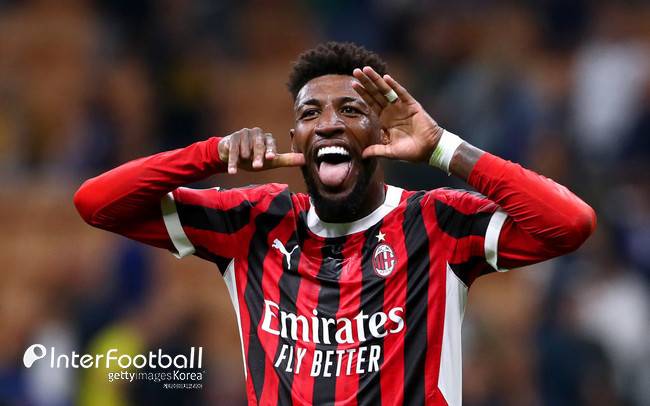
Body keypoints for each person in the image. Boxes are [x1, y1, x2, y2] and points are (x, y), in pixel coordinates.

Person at [74, 42, 596, 406]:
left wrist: (443, 147)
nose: (327, 124)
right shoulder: (255, 222)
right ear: (295, 141)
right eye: (309, 114)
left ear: (383, 134)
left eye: (350, 109)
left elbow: (569, 223)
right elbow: (97, 203)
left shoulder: (437, 222)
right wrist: (210, 153)